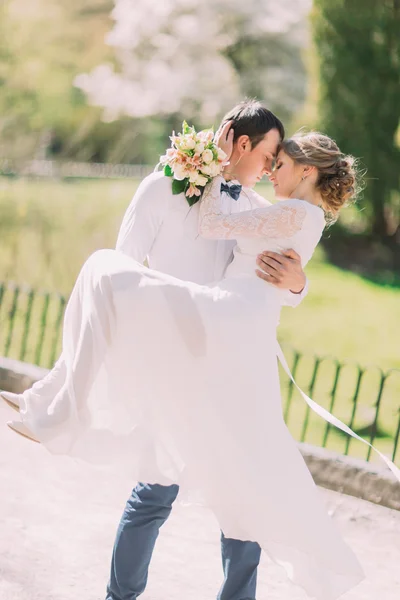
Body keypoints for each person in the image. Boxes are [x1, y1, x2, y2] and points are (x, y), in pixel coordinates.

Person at [5, 125, 398, 599]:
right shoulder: (234, 199)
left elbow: (222, 227)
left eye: (282, 163)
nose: (272, 170)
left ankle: (60, 409)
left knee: (244, 479)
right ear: (245, 143)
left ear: (306, 171)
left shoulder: (290, 211)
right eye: (270, 158)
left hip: (225, 322)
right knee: (169, 485)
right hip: (209, 323)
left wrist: (296, 279)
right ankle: (56, 405)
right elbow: (239, 231)